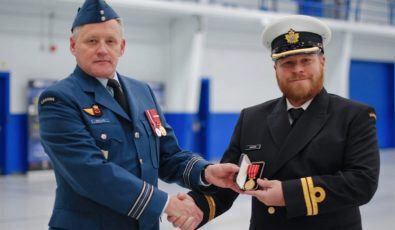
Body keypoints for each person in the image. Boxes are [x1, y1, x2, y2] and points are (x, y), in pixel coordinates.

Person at [38, 0, 238, 229]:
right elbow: (90, 172)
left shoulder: (141, 92)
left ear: (121, 47)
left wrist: (206, 172)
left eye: (110, 41)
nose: (102, 49)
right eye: (92, 41)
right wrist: (166, 204)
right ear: (73, 46)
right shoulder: (58, 99)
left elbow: (168, 155)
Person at [187, 14, 380, 230]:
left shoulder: (354, 115)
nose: (298, 69)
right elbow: (232, 181)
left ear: (322, 62)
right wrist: (197, 205)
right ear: (276, 69)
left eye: (306, 60)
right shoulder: (252, 118)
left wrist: (290, 195)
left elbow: (362, 183)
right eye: (288, 63)